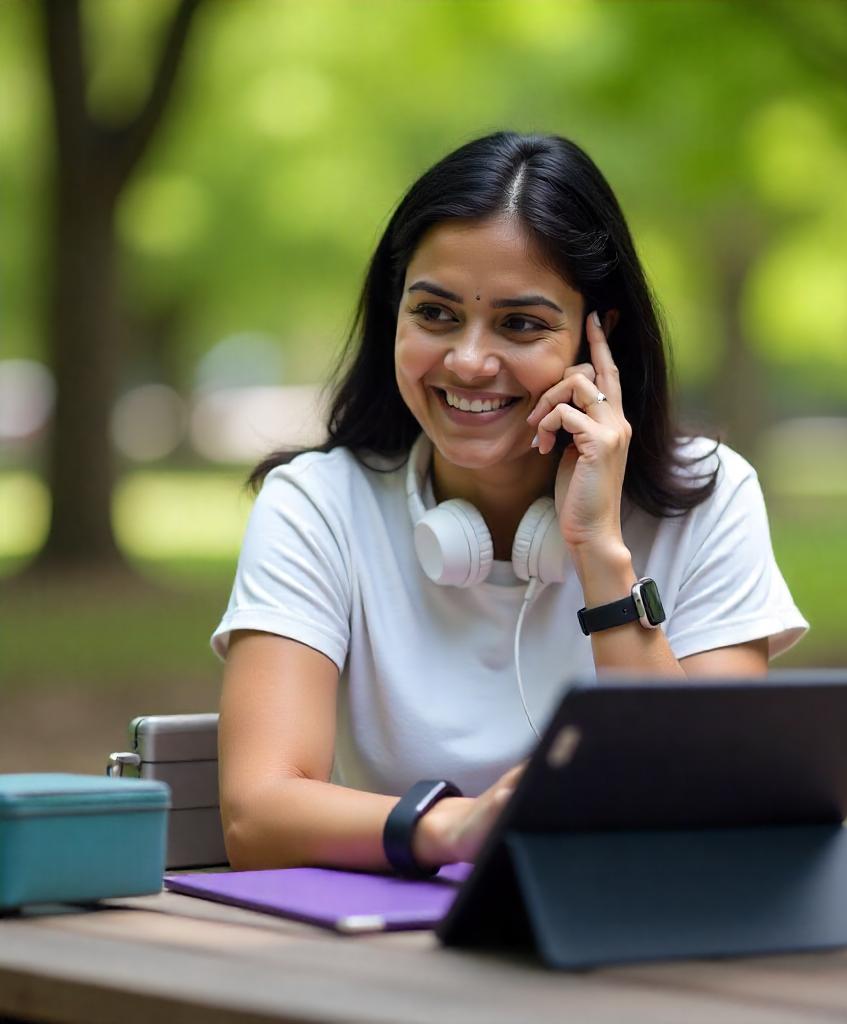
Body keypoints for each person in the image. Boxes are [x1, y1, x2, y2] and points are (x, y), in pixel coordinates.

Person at [212, 131, 807, 875]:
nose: (468, 360)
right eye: (434, 314)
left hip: (642, 935)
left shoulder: (713, 497)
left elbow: (707, 804)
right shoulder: (317, 504)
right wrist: (455, 828)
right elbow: (256, 812)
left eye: (521, 324)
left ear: (600, 338)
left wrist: (599, 553)